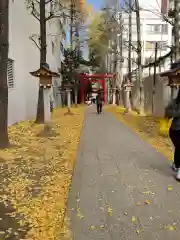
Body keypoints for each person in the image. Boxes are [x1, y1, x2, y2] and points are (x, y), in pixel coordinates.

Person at [165, 90, 180, 180]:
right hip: (176, 130)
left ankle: (176, 164)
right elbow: (167, 112)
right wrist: (178, 112)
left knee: (179, 148)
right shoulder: (175, 102)